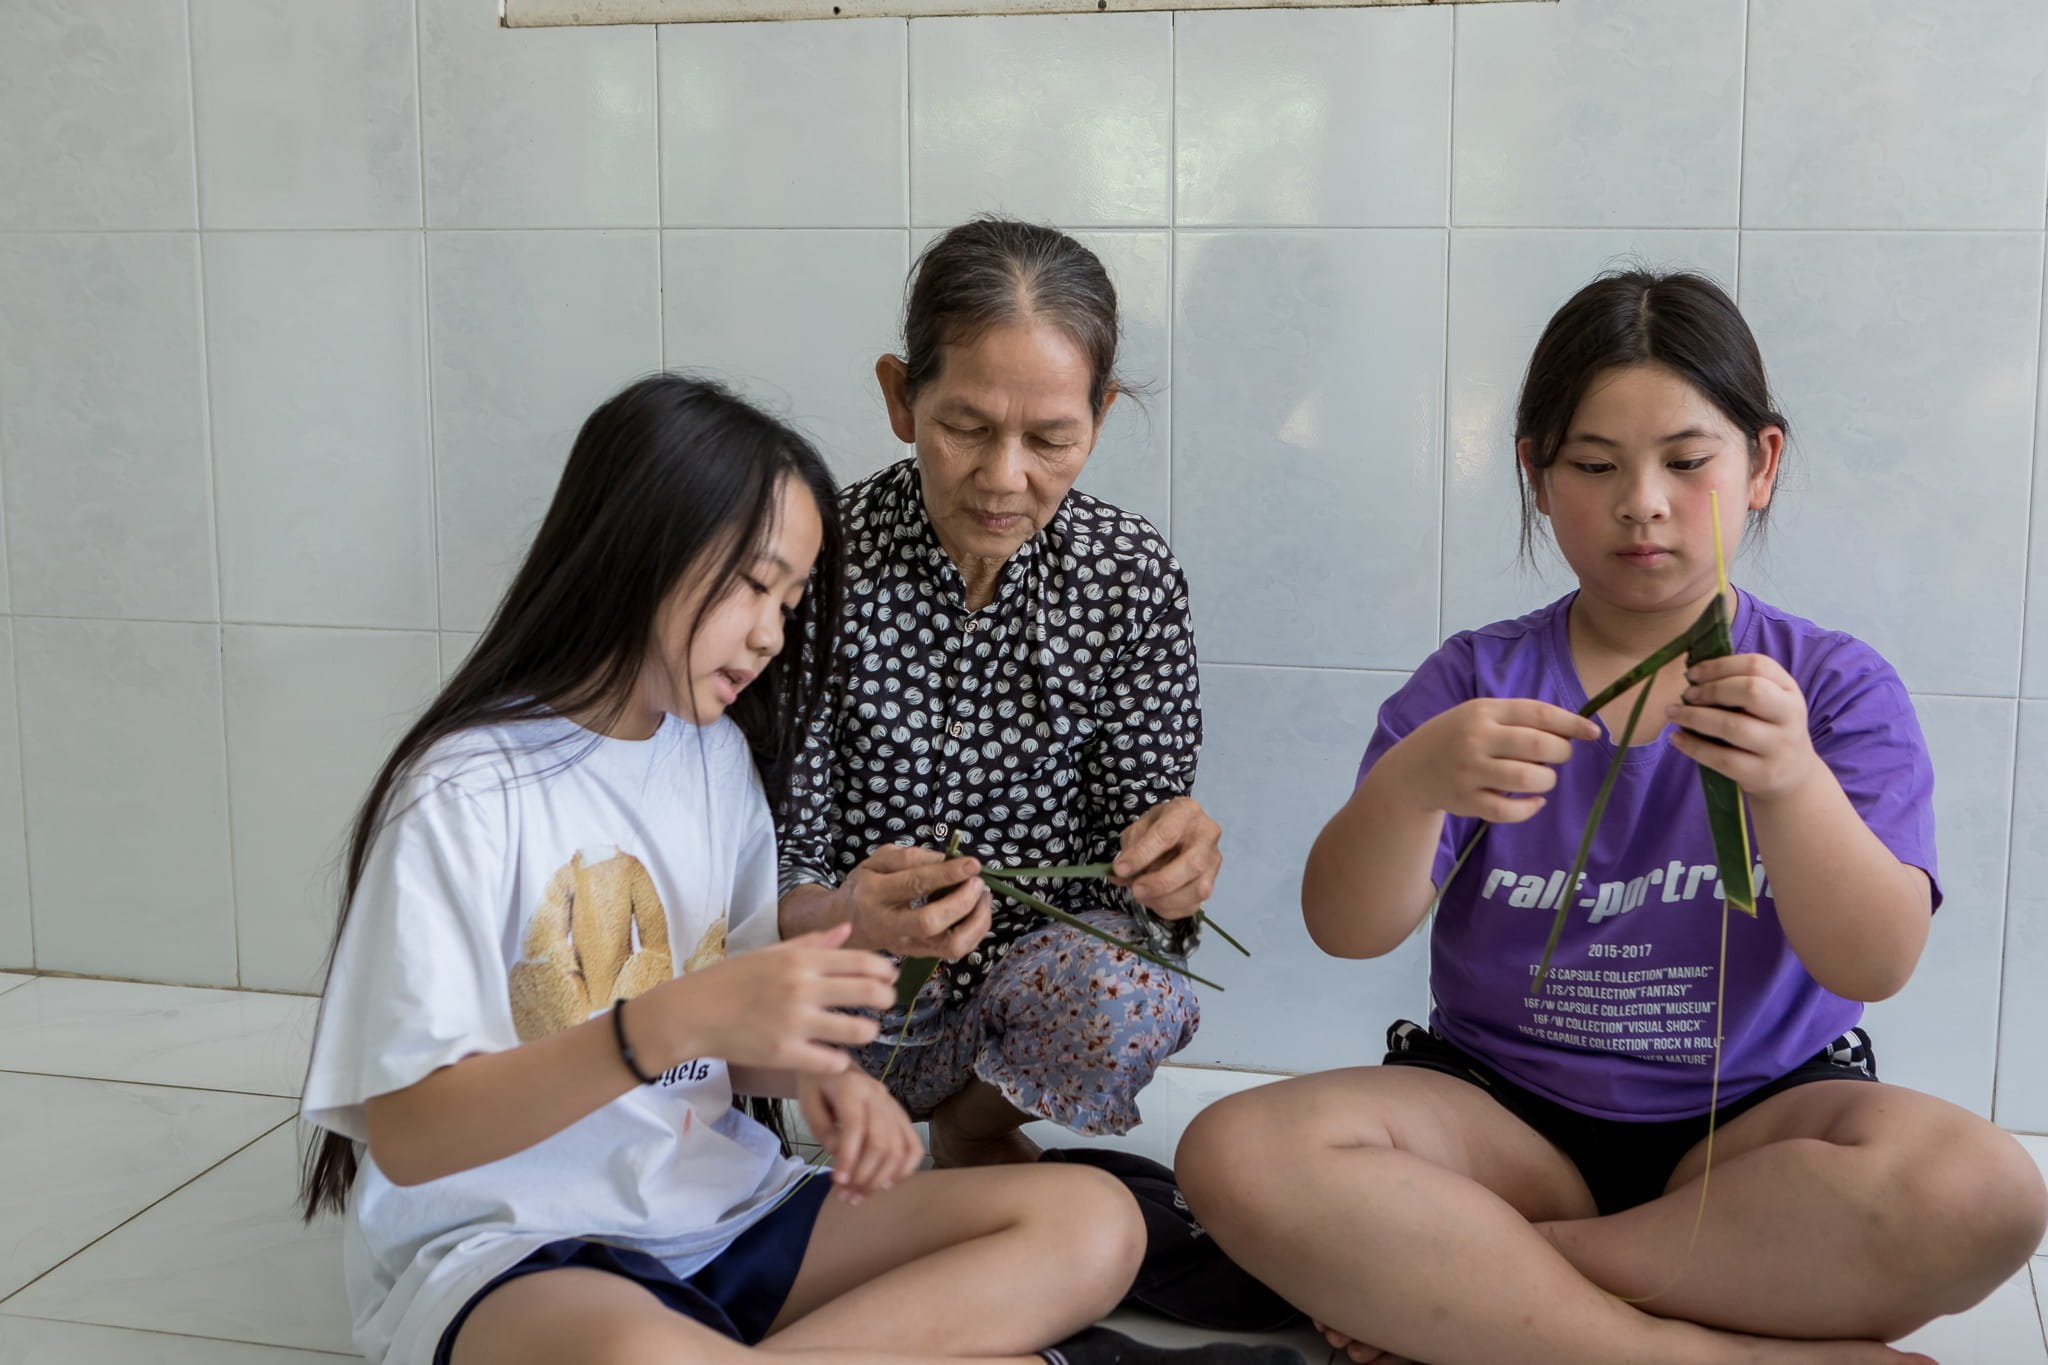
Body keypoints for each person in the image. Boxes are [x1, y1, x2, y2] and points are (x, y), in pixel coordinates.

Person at [295, 374, 1301, 1365]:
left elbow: (729, 1054)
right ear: (636, 547)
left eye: (790, 598)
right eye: (753, 585)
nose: (774, 633)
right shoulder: (464, 795)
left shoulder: (712, 759)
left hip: (720, 1214)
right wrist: (663, 1026)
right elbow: (412, 1135)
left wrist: (823, 1081)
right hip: (516, 1255)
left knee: (1094, 1222)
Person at [1174, 272, 2047, 1365]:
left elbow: (1873, 960)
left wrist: (1790, 786)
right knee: (1237, 1153)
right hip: (1503, 1116)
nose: (1642, 501)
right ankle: (1700, 1351)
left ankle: (1488, 1286)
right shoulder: (1476, 681)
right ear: (1534, 476)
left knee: (1987, 1193)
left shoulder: (1830, 688)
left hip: (1755, 1128)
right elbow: (1345, 928)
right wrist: (1411, 786)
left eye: (1687, 463)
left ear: (1759, 467)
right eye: (1593, 465)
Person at [773, 218, 1222, 1168]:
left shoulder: (1126, 574)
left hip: (1023, 1005)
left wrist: (1175, 865)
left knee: (1132, 984)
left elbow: (1135, 867)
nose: (1003, 477)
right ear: (902, 397)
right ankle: (878, 1132)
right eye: (965, 428)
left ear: (1098, 417)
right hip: (858, 1002)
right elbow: (775, 870)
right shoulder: (816, 562)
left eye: (1051, 439)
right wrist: (855, 914)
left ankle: (975, 1124)